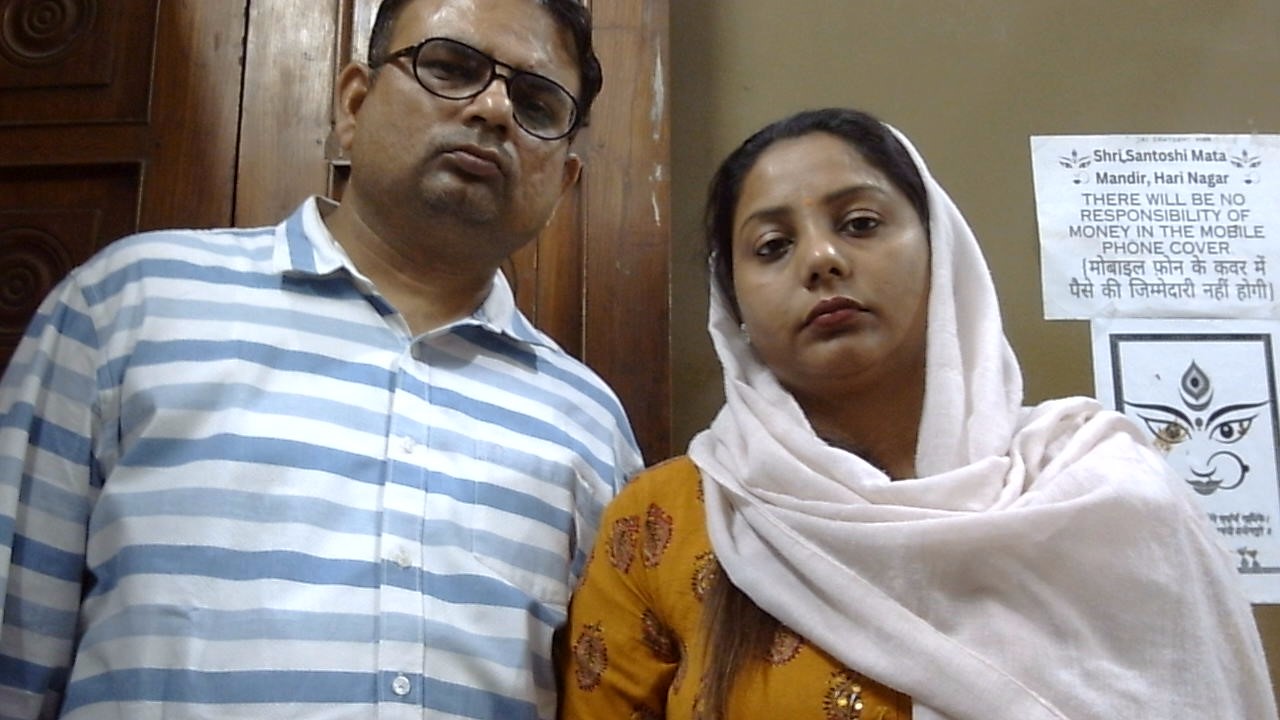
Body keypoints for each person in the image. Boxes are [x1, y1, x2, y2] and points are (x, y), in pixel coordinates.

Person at [0, 0, 642, 717]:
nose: (493, 109)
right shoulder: (131, 305)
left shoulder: (590, 425)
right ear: (354, 103)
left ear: (564, 182)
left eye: (537, 104)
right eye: (451, 68)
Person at [559, 108, 1276, 720]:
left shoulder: (1106, 493)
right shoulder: (667, 524)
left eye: (860, 223)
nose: (822, 258)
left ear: (943, 253)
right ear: (733, 302)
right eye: (773, 246)